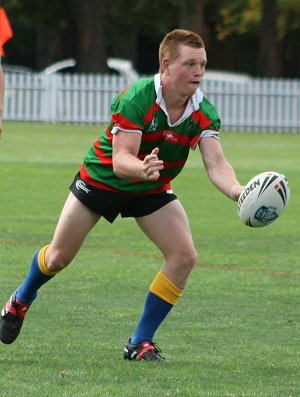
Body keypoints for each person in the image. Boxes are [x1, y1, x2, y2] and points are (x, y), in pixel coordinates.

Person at [0, 29, 244, 362]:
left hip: (150, 187)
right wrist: (143, 167)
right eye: (190, 64)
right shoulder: (137, 98)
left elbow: (216, 163)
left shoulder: (203, 112)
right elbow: (120, 160)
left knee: (184, 256)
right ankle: (20, 301)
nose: (198, 72)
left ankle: (139, 343)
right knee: (58, 257)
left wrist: (238, 191)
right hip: (102, 180)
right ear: (167, 65)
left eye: (202, 64)